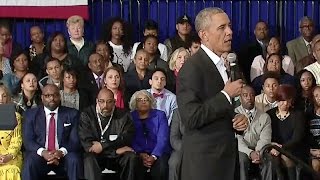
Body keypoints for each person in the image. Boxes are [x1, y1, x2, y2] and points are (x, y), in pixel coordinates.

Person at [177, 8, 248, 180]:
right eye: (222, 27)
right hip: (204, 165)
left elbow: (221, 109)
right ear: (204, 35)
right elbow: (191, 117)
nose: (230, 32)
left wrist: (238, 119)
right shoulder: (192, 68)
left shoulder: (227, 65)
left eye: (229, 26)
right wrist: (225, 95)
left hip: (226, 160)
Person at [79, 88, 143, 180]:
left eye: (109, 102)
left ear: (114, 101)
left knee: (131, 157)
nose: (105, 105)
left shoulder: (124, 114)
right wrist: (114, 151)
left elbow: (126, 138)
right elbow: (88, 144)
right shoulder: (87, 114)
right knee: (89, 158)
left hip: (117, 157)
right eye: (102, 101)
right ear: (97, 101)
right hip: (98, 156)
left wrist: (102, 146)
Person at [22, 84, 83, 180]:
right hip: (40, 156)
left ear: (60, 96)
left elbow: (75, 140)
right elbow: (28, 141)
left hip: (63, 156)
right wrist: (43, 152)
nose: (52, 98)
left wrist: (61, 152)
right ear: (42, 98)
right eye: (47, 96)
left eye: (55, 95)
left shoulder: (72, 114)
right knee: (30, 161)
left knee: (74, 159)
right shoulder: (30, 115)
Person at [266, 85, 307, 180]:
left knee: (285, 157)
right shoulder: (269, 114)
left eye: (287, 100)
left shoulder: (298, 115)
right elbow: (266, 134)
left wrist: (281, 148)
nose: (284, 103)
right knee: (274, 159)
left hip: (292, 148)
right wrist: (272, 145)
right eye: (281, 100)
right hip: (273, 147)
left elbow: (297, 138)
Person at [130, 90, 171, 180]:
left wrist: (154, 156)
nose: (143, 101)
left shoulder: (160, 115)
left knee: (162, 167)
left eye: (146, 99)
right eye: (140, 100)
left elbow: (163, 138)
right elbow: (130, 138)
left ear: (151, 102)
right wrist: (140, 153)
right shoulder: (130, 117)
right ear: (135, 103)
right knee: (133, 164)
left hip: (158, 153)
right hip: (139, 153)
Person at [235, 85, 272, 180]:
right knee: (241, 159)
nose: (249, 98)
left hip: (259, 149)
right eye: (245, 95)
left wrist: (258, 152)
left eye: (251, 95)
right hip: (242, 149)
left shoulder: (264, 116)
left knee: (269, 160)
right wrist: (250, 152)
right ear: (240, 97)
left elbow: (265, 138)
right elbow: (237, 138)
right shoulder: (234, 114)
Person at [0, 83, 23, 180]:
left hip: (10, 156)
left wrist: (9, 156)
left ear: (8, 98)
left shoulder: (15, 116)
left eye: (4, 96)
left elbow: (17, 140)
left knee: (11, 170)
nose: (1, 99)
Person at [168, 109, 185, 180]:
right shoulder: (178, 112)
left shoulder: (208, 111)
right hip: (183, 147)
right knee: (174, 162)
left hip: (203, 146)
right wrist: (185, 149)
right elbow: (174, 137)